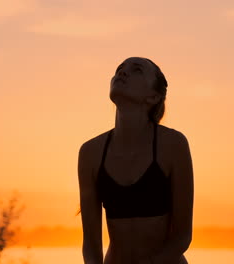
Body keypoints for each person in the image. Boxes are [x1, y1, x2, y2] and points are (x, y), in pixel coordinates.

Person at [76, 57, 194, 264]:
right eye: (119, 69)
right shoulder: (90, 152)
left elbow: (182, 237)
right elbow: (91, 245)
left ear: (153, 96)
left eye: (136, 70)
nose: (122, 72)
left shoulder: (173, 145)